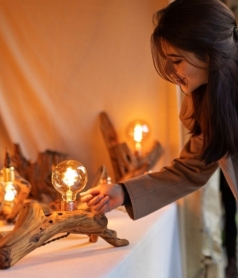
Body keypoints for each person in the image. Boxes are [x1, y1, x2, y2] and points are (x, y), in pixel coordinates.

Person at [80, 0, 238, 276]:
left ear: (209, 51)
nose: (171, 71)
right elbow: (192, 168)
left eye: (177, 60)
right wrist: (124, 192)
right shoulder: (210, 103)